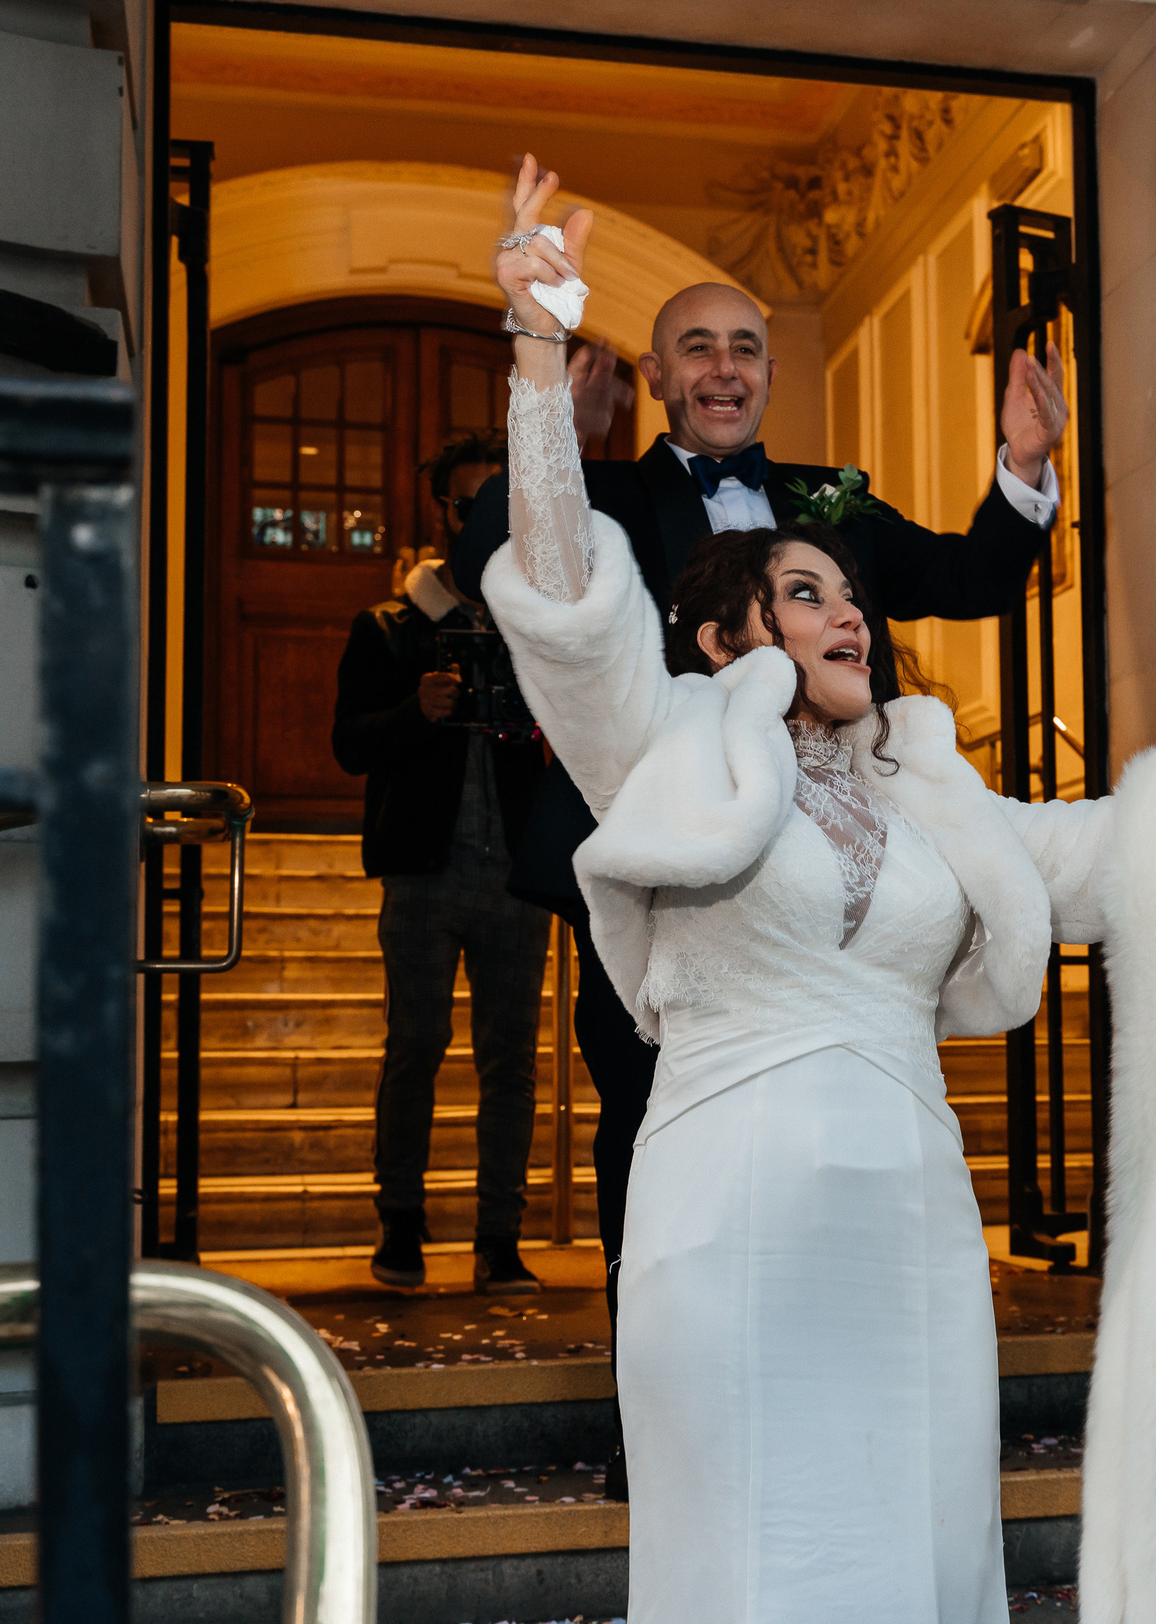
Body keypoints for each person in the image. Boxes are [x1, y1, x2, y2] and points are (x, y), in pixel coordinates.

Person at [480, 156, 1156, 1624]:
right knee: (761, 1559)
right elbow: (567, 606)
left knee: (922, 1549)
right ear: (721, 637)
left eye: (847, 593)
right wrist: (538, 352)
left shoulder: (933, 789)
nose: (848, 610)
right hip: (733, 1213)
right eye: (804, 593)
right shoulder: (667, 749)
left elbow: (1128, 850)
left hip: (915, 1226)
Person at [446, 209, 1072, 1347]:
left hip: (839, 868)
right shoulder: (610, 497)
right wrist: (557, 420)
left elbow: (971, 576)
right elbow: (498, 543)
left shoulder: (833, 501)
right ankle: (662, 1375)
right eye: (697, 348)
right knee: (649, 1123)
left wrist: (1025, 466)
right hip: (672, 873)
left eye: (744, 348)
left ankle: (828, 1356)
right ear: (655, 375)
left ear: (771, 374)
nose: (724, 369)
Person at [330, 428, 551, 1295]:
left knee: (511, 1063)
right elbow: (349, 745)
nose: (485, 520)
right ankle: (401, 1226)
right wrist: (413, 711)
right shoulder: (389, 629)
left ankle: (500, 1240)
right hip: (422, 873)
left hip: (518, 877)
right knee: (415, 1047)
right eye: (470, 505)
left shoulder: (540, 626)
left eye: (502, 505)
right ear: (444, 513)